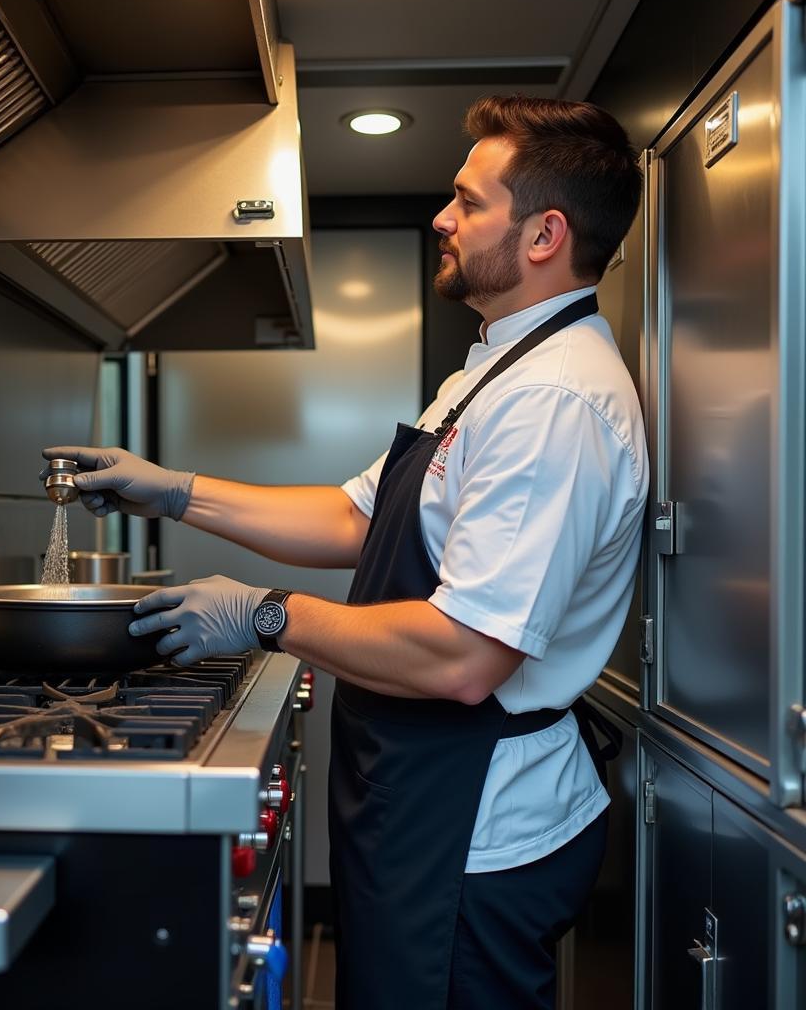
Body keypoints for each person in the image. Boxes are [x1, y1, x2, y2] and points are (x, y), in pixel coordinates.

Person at [44, 95, 647, 1010]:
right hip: (424, 806)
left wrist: (267, 615)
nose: (441, 219)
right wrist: (173, 488)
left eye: (468, 201)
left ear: (543, 235)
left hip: (474, 833)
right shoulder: (491, 373)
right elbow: (351, 519)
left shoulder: (556, 404)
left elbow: (463, 657)